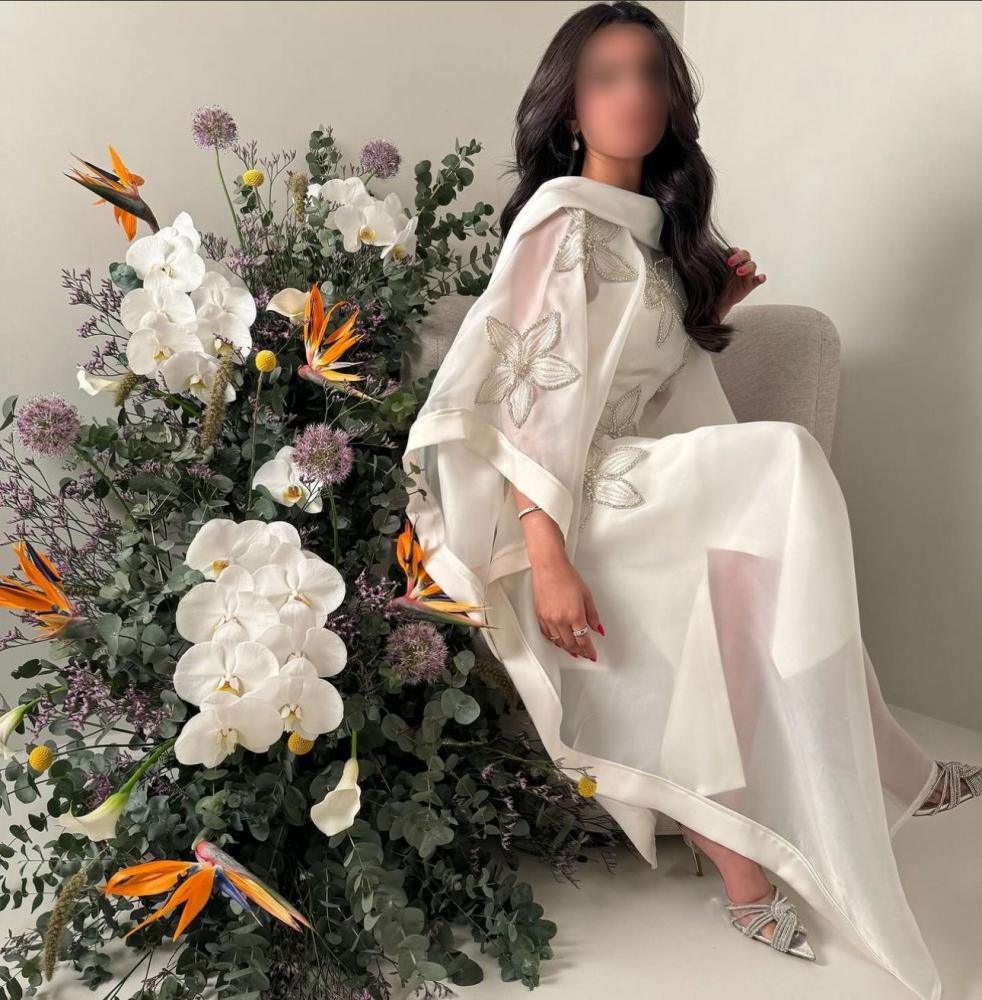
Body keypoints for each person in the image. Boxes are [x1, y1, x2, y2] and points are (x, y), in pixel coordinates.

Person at [400, 4, 980, 998]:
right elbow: (532, 401)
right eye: (605, 77)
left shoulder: (646, 231)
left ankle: (843, 789)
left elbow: (640, 385)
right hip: (568, 506)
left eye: (649, 74)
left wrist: (702, 313)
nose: (632, 94)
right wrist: (547, 553)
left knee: (765, 533)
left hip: (630, 481)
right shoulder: (563, 223)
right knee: (781, 467)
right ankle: (782, 828)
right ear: (569, 109)